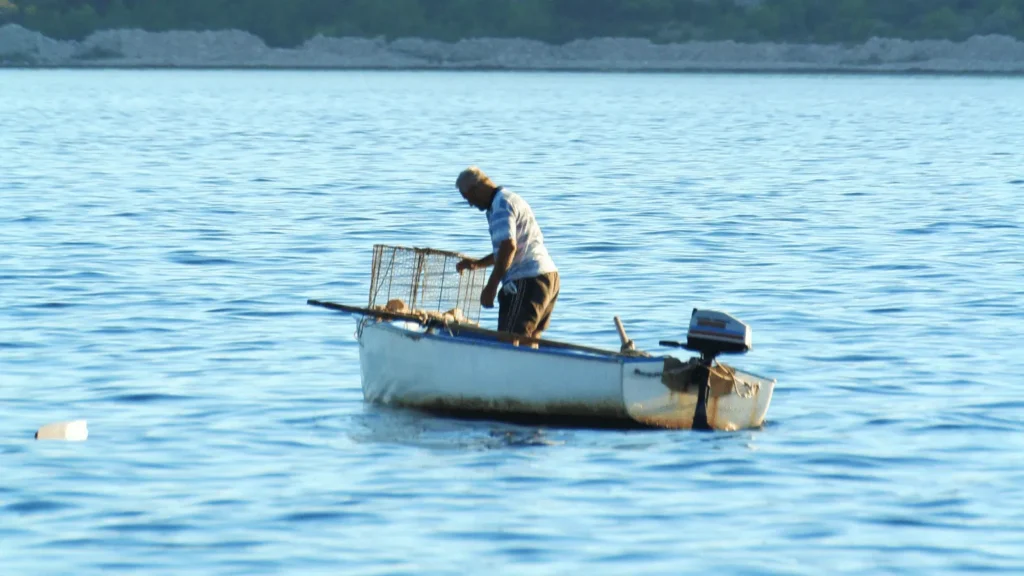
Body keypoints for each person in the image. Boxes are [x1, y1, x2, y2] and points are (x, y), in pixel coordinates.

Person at [454, 166, 559, 342]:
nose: (470, 204)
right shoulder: (509, 198)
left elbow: (508, 248)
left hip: (527, 280)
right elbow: (510, 249)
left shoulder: (501, 205)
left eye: (468, 198)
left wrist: (491, 286)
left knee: (509, 340)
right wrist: (477, 264)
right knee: (529, 341)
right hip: (548, 277)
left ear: (476, 189)